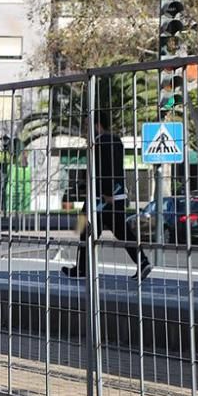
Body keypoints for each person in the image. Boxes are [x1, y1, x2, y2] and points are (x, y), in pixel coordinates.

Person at [62, 111, 152, 281]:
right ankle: (143, 261)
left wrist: (106, 192)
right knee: (121, 231)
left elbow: (105, 169)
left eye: (87, 126)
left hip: (102, 198)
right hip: (111, 196)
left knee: (85, 230)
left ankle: (82, 269)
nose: (85, 130)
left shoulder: (100, 142)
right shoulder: (115, 141)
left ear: (97, 125)